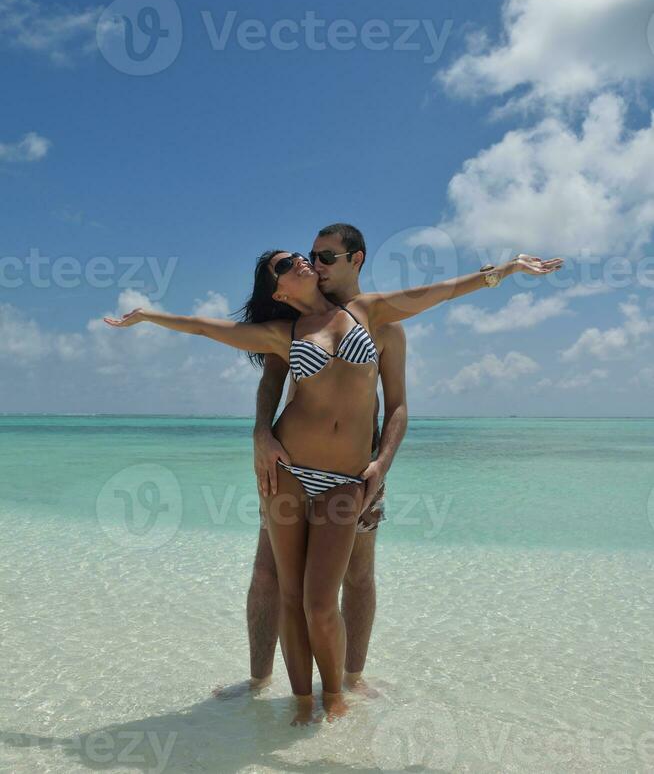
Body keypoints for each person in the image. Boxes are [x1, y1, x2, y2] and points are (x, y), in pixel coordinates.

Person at [103, 249, 563, 723]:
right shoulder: (282, 334)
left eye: (299, 257)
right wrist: (149, 316)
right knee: (289, 595)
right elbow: (204, 327)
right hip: (288, 472)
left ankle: (336, 692)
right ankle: (303, 702)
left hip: (346, 479)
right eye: (284, 265)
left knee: (321, 603)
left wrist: (505, 271)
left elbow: (439, 293)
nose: (299, 262)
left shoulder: (366, 311)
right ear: (278, 291)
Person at [243, 224, 407, 700]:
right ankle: (258, 683)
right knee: (267, 573)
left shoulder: (382, 322)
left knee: (357, 574)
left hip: (358, 471)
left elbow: (396, 404)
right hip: (289, 463)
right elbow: (272, 381)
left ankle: (351, 680)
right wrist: (259, 432)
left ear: (356, 259)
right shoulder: (299, 320)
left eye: (326, 258)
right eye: (311, 256)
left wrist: (384, 463)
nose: (315, 265)